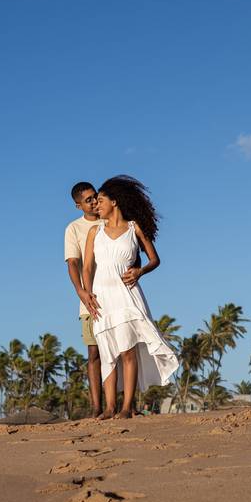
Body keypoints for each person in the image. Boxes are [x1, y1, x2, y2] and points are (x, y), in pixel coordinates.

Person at [82, 175, 178, 419]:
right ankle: (110, 407)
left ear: (114, 202)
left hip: (127, 295)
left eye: (100, 201)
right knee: (107, 352)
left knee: (127, 351)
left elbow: (154, 259)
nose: (96, 205)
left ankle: (126, 408)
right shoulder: (95, 232)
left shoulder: (134, 228)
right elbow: (86, 268)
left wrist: (140, 270)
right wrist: (87, 295)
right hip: (102, 296)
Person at [64, 182, 106, 417]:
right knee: (94, 352)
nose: (93, 202)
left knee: (121, 352)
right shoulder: (74, 228)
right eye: (88, 200)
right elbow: (72, 262)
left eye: (95, 197)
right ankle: (96, 408)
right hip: (90, 297)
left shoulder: (110, 219)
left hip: (115, 293)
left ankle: (119, 405)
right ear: (78, 205)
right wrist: (80, 291)